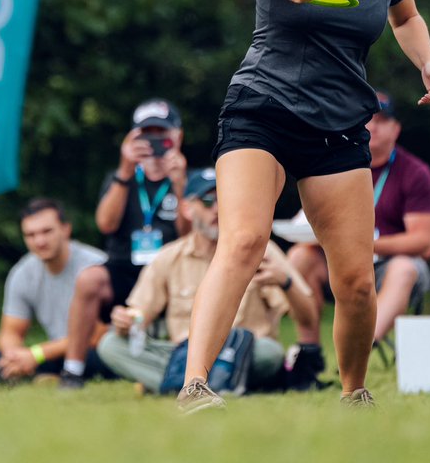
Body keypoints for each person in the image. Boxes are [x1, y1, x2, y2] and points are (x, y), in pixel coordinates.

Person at [180, 0, 430, 413]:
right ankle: (196, 385)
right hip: (263, 109)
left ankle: (354, 393)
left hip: (338, 125)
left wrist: (428, 63)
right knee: (246, 238)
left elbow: (405, 17)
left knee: (355, 280)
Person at [97, 168, 317, 393]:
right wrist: (126, 321)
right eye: (207, 200)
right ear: (187, 209)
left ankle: (179, 385)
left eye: (224, 200)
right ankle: (214, 383)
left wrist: (285, 282)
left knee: (269, 352)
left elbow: (308, 315)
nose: (217, 209)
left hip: (242, 350)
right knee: (110, 344)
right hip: (183, 354)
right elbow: (139, 315)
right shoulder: (168, 256)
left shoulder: (260, 249)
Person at [287, 89, 430, 350]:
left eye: (381, 121)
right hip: (340, 258)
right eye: (366, 119)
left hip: (388, 265)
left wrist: (367, 245)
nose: (373, 127)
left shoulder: (415, 173)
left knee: (404, 268)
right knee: (299, 257)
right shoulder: (336, 164)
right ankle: (308, 352)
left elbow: (424, 242)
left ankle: (361, 349)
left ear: (396, 130)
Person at [56, 99, 188, 389]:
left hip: (172, 272)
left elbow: (189, 235)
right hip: (126, 268)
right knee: (89, 280)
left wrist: (180, 185)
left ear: (177, 136)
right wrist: (125, 170)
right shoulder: (122, 177)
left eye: (161, 133)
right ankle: (73, 370)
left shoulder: (189, 180)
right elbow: (105, 224)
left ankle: (187, 366)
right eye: (146, 134)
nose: (154, 142)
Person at [0, 199, 113, 384]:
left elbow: (96, 336)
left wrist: (36, 354)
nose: (40, 241)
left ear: (66, 229)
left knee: (99, 358)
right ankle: (28, 372)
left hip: (95, 349)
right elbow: (10, 331)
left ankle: (35, 376)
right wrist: (15, 355)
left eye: (47, 231)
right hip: (54, 353)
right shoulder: (22, 273)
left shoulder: (97, 265)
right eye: (30, 235)